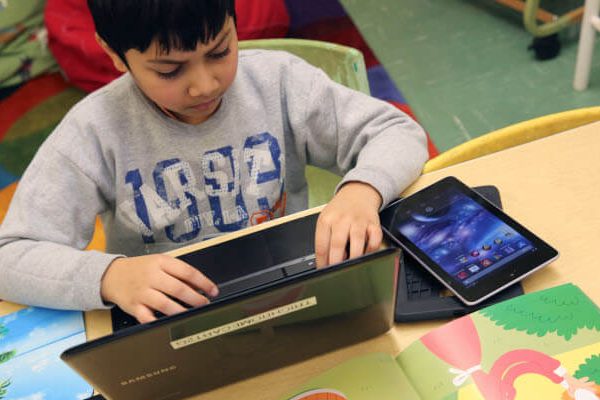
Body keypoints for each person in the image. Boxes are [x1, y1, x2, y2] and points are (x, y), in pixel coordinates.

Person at [0, 0, 427, 323]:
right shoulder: (94, 130)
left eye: (220, 51)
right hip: (170, 321)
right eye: (169, 71)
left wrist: (362, 189)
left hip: (293, 293)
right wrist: (110, 276)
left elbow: (398, 131)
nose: (204, 85)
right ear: (114, 55)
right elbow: (11, 255)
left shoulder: (278, 82)